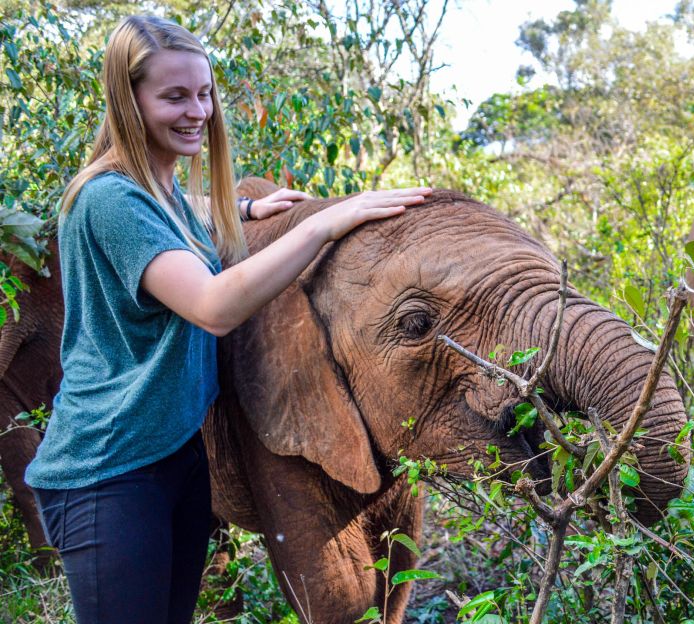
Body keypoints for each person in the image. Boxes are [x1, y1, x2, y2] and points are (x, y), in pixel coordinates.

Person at [22, 15, 430, 624]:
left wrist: (245, 207)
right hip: (108, 472)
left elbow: (180, 209)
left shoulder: (153, 187)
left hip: (174, 457)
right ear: (127, 100)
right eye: (174, 96)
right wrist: (322, 223)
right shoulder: (108, 198)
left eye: (205, 93)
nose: (197, 111)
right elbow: (213, 307)